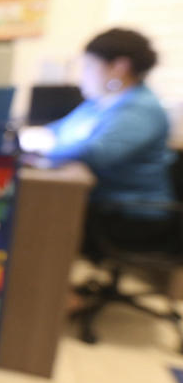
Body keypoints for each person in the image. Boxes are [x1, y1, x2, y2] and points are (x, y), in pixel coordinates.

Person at [20, 28, 176, 256]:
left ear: (119, 67)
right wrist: (40, 139)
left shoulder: (142, 110)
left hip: (130, 214)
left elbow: (95, 153)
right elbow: (55, 130)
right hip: (100, 204)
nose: (83, 75)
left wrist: (46, 145)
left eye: (89, 66)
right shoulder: (99, 103)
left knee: (38, 216)